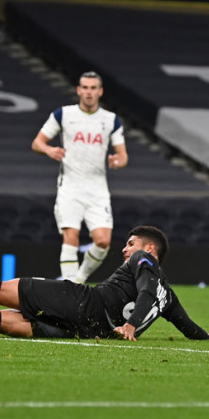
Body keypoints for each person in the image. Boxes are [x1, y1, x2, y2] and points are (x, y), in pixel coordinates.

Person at [0, 225, 209, 342]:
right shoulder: (170, 297)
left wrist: (132, 324)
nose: (125, 249)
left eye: (130, 243)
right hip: (86, 332)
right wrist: (208, 337)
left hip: (80, 302)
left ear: (149, 250)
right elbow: (188, 328)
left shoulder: (142, 259)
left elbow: (146, 291)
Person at [31, 71, 128, 284]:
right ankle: (69, 289)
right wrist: (49, 150)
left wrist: (117, 161)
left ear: (100, 91)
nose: (89, 92)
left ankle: (79, 279)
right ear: (78, 90)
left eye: (93, 88)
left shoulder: (111, 120)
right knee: (71, 238)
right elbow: (37, 142)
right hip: (70, 187)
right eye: (85, 87)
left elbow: (123, 156)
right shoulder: (63, 115)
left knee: (103, 242)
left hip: (97, 189)